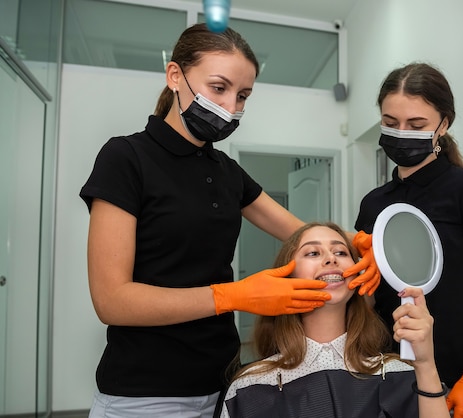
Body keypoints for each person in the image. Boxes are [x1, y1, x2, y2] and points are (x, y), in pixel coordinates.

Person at [79, 24, 377, 417]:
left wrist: (355, 243)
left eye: (243, 96)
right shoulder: (126, 158)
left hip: (224, 383)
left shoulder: (226, 171)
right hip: (147, 392)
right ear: (175, 77)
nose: (231, 106)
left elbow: (302, 232)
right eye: (219, 88)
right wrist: (232, 295)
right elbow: (111, 301)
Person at [354, 62, 463, 418]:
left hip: (457, 371)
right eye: (391, 123)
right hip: (387, 372)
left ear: (444, 124)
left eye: (417, 125)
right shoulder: (374, 202)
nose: (402, 132)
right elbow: (368, 292)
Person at [219, 222, 449, 418]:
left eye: (341, 252)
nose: (331, 259)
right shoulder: (248, 388)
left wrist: (426, 365)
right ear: (286, 277)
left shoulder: (400, 373)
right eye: (313, 253)